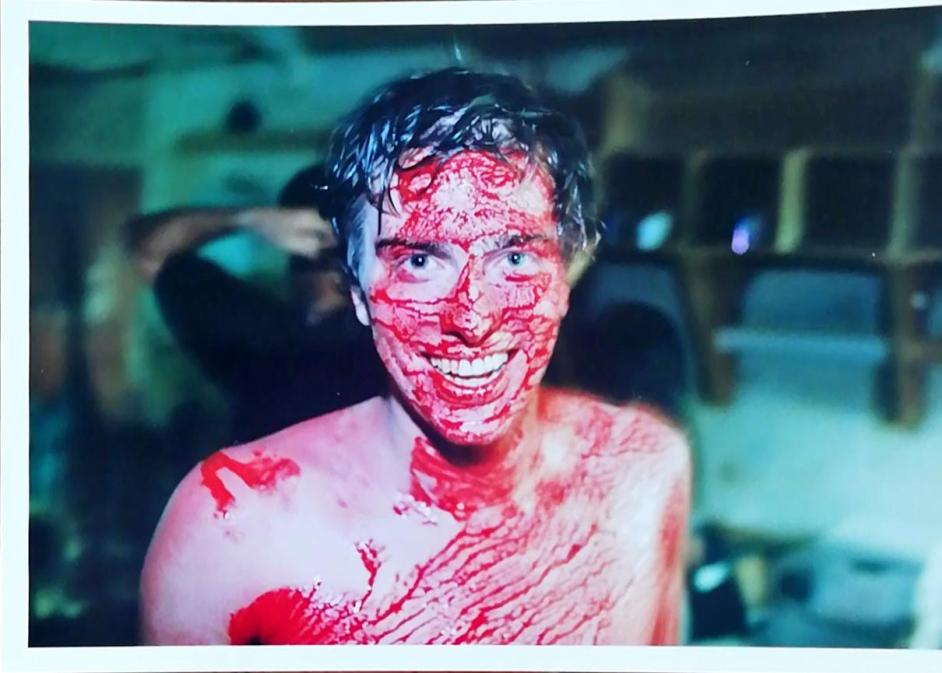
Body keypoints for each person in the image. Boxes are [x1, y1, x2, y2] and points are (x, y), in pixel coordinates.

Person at [141, 68, 691, 645]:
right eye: (420, 262)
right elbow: (147, 250)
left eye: (513, 257)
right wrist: (250, 220)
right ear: (356, 283)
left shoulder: (643, 473)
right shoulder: (229, 514)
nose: (472, 319)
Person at [129, 167, 386, 444]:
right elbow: (149, 251)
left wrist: (248, 220)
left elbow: (150, 254)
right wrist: (253, 220)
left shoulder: (391, 339)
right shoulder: (260, 335)